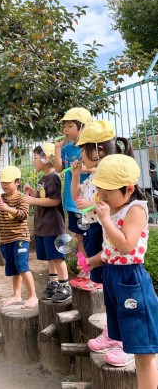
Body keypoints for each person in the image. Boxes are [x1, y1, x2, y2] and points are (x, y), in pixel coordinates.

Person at [83, 155, 158, 388]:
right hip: (113, 276)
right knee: (124, 332)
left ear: (128, 189)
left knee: (143, 351)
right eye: (99, 193)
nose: (101, 198)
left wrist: (105, 220)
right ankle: (118, 344)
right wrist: (94, 260)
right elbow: (111, 249)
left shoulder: (135, 209)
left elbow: (126, 245)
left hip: (131, 279)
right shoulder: (117, 208)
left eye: (106, 194)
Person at [70, 119, 134, 290]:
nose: (81, 155)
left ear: (99, 150)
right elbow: (76, 197)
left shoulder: (110, 176)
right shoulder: (94, 176)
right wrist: (75, 176)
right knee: (99, 274)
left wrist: (91, 203)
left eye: (84, 149)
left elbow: (113, 203)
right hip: (94, 227)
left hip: (104, 228)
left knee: (107, 272)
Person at [23, 143, 72, 303]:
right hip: (43, 226)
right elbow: (44, 195)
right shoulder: (44, 178)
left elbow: (55, 200)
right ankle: (54, 283)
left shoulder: (53, 178)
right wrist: (33, 192)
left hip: (52, 226)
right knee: (51, 257)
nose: (33, 161)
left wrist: (33, 200)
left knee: (57, 257)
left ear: (45, 159)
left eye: (35, 158)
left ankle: (65, 286)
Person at [0, 165, 38, 309]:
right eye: (2, 183)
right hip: (6, 239)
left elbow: (23, 215)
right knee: (14, 268)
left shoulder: (22, 198)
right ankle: (17, 295)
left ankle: (33, 296)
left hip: (20, 238)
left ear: (17, 182)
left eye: (7, 182)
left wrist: (7, 209)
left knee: (22, 265)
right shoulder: (0, 198)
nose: (4, 185)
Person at [54, 107, 93, 281]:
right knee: (80, 239)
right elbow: (58, 168)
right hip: (72, 202)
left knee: (93, 236)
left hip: (89, 202)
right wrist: (57, 148)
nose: (65, 130)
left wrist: (84, 168)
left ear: (82, 127)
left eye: (70, 126)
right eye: (65, 126)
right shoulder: (68, 149)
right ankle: (85, 268)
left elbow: (100, 167)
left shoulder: (90, 147)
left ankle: (95, 268)